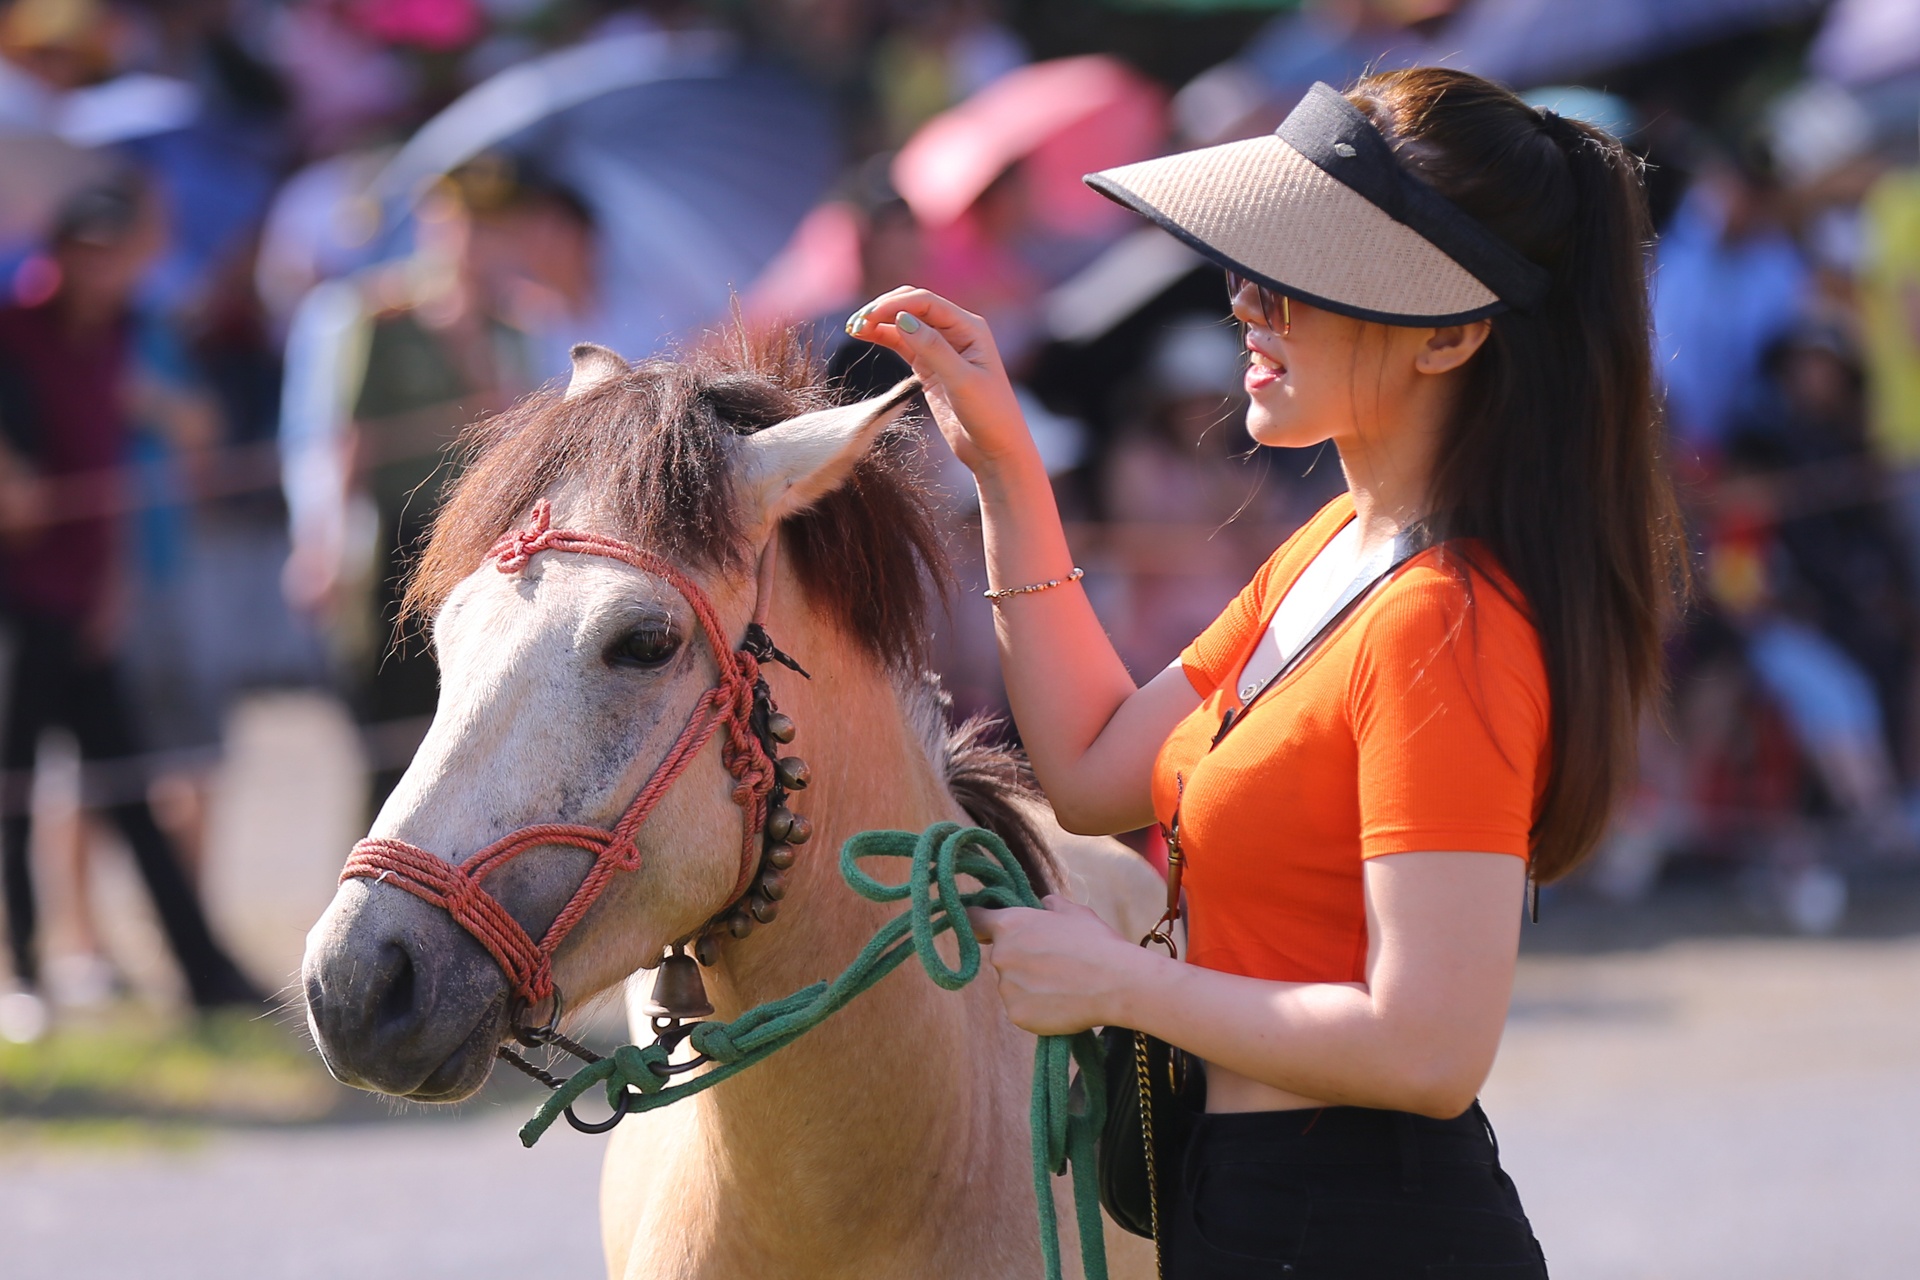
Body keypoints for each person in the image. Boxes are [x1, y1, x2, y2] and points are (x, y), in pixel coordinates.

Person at [847, 68, 1681, 1277]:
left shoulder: (1447, 617)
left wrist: (1119, 982)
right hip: (1250, 1199)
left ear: (1450, 332)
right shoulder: (1336, 547)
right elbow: (1087, 771)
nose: (1245, 300)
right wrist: (1008, 476)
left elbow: (1428, 1047)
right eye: (1250, 267)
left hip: (1362, 1224)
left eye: (1294, 277)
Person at [0, 177, 263, 1037]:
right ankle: (24, 974)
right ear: (60, 252)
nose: (102, 268)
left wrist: (111, 588)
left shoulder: (122, 335)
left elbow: (115, 465)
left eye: (116, 252)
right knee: (16, 791)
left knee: (134, 796)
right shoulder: (15, 328)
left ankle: (206, 975)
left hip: (82, 597)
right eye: (88, 250)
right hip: (17, 600)